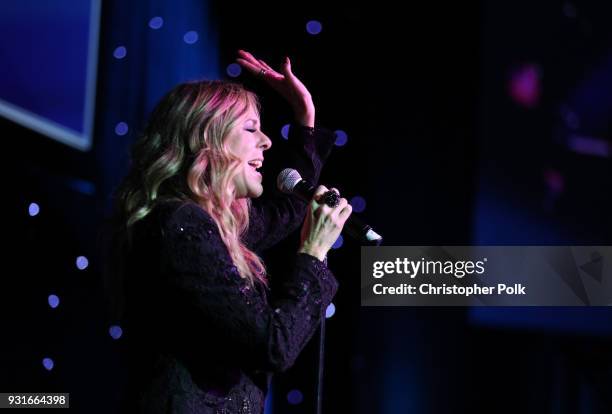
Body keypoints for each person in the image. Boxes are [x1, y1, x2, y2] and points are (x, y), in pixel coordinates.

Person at [109, 50, 352, 413]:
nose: (267, 141)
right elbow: (274, 343)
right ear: (207, 140)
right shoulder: (181, 228)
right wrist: (313, 254)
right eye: (251, 128)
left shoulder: (208, 226)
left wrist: (305, 117)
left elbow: (287, 211)